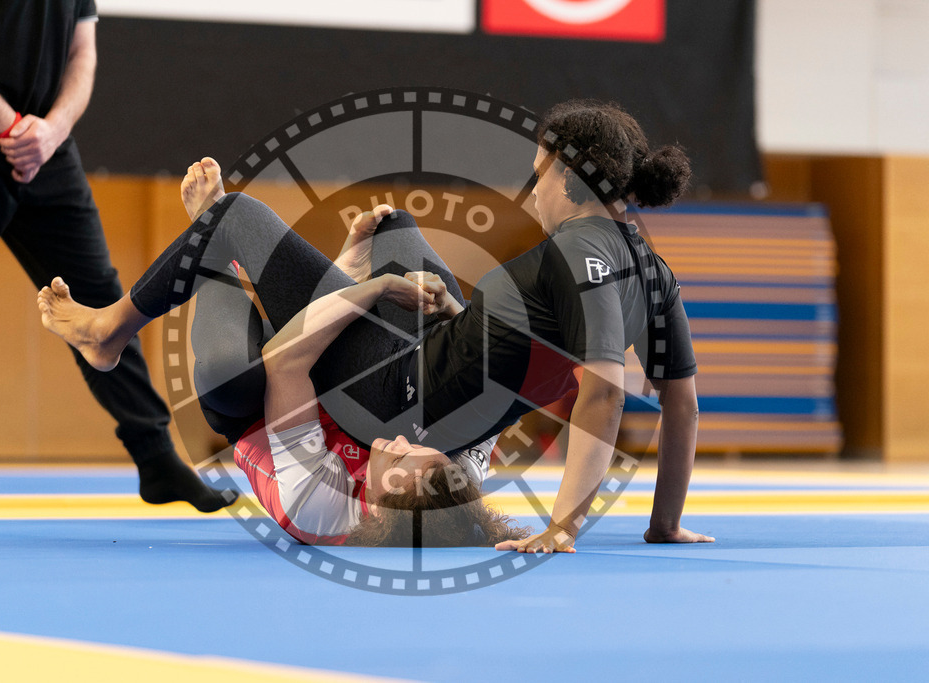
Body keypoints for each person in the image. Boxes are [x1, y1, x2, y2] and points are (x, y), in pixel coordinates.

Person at [36, 100, 712, 551]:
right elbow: (682, 404)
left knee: (240, 213)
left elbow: (603, 391)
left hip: (396, 393)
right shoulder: (652, 269)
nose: (531, 191)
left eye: (536, 175)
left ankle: (110, 331)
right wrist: (665, 523)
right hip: (443, 372)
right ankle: (244, 244)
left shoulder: (579, 250)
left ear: (565, 177)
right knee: (398, 228)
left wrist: (563, 526)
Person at [44, 157, 529, 547]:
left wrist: (373, 288)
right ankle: (229, 236)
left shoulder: (318, 508)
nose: (404, 442)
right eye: (423, 451)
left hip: (263, 399)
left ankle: (114, 327)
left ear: (376, 507)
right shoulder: (451, 479)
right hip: (338, 381)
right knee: (396, 229)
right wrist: (444, 308)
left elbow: (286, 361)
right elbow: (485, 375)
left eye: (400, 460)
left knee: (228, 363)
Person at [0, 0, 234, 524]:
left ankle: (155, 460)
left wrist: (51, 131)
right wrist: (12, 126)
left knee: (103, 307)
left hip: (46, 152)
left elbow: (83, 54)